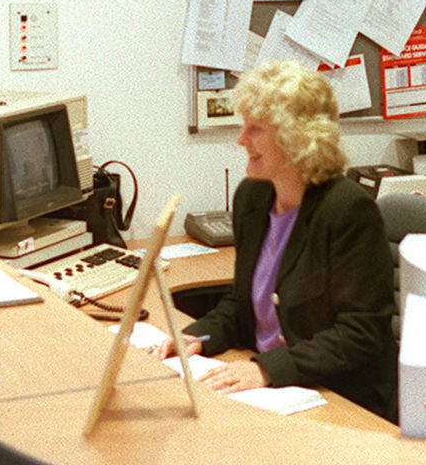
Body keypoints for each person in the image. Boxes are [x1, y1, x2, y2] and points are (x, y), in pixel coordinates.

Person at [164, 62, 396, 418]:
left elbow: (360, 334)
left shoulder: (348, 210)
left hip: (337, 397)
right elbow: (240, 304)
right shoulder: (252, 197)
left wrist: (267, 369)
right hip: (267, 391)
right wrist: (196, 337)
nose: (241, 140)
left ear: (296, 138)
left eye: (255, 129)